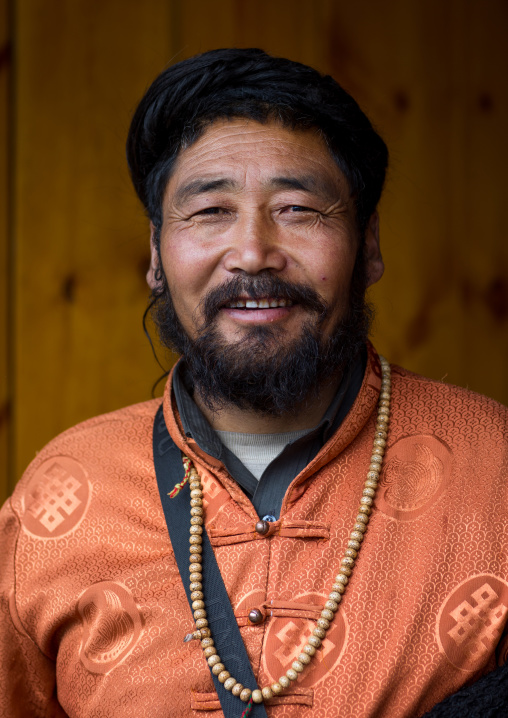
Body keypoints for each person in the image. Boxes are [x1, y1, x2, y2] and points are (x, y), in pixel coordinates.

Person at [0, 48, 507, 718]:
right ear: (156, 255)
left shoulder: (494, 467)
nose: (252, 253)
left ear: (370, 244)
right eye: (210, 211)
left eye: (298, 209)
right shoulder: (61, 495)